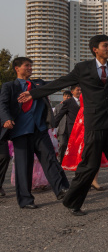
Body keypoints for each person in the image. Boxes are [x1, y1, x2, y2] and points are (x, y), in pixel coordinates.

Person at [18, 35, 108, 216]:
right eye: (105, 46)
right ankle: (72, 201)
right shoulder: (83, 68)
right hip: (95, 124)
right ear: (95, 49)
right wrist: (34, 94)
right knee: (89, 165)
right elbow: (60, 82)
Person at [0, 57, 69, 209]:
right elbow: (3, 104)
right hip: (20, 132)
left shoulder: (39, 84)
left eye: (31, 66)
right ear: (17, 68)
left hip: (40, 130)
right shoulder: (9, 86)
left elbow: (55, 85)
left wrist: (75, 76)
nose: (30, 68)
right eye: (27, 66)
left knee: (50, 160)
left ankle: (62, 190)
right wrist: (6, 119)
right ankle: (26, 200)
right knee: (24, 166)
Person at [61, 94, 108, 191]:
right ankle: (81, 181)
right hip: (83, 121)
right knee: (82, 151)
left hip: (95, 118)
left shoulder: (99, 87)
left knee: (96, 150)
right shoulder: (85, 87)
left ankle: (94, 180)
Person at [54, 86, 81, 163]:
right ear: (72, 92)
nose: (79, 91)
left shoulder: (85, 100)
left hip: (82, 128)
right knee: (64, 145)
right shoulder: (68, 102)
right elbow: (59, 114)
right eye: (77, 90)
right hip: (70, 128)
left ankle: (77, 162)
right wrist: (53, 125)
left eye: (80, 90)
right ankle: (62, 161)